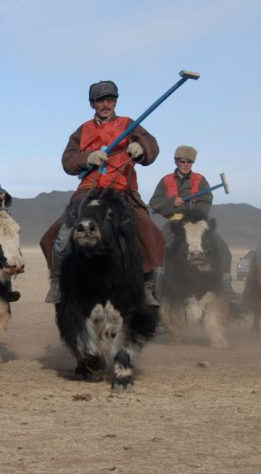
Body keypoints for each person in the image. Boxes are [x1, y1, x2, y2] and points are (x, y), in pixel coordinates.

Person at [40, 80, 164, 306]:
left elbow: (152, 145)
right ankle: (58, 279)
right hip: (89, 189)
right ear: (92, 104)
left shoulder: (129, 124)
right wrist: (87, 157)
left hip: (122, 190)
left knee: (147, 229)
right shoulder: (82, 130)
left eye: (110, 99)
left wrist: (141, 147)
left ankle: (146, 285)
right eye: (100, 101)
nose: (106, 104)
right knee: (60, 232)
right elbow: (67, 160)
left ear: (115, 101)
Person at [148, 145, 239, 301]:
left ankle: (225, 285)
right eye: (182, 161)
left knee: (223, 248)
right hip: (175, 222)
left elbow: (206, 200)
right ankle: (157, 286)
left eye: (189, 162)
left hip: (197, 223)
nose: (186, 165)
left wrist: (191, 211)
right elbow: (154, 203)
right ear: (176, 162)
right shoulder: (166, 180)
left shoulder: (200, 180)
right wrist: (172, 202)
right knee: (158, 248)